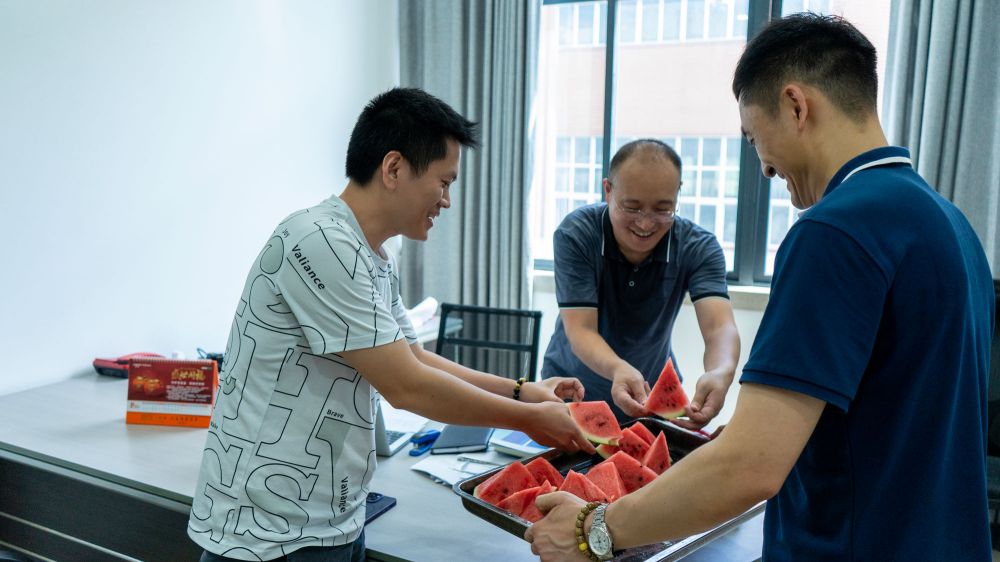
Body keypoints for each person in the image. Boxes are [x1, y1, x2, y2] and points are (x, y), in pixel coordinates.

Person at [526, 13, 993, 562]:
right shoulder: (953, 225)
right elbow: (898, 413)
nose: (765, 167)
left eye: (753, 137)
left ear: (796, 106)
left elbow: (751, 468)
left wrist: (594, 529)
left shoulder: (833, 231)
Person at [187, 87, 595, 562]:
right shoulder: (319, 241)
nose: (446, 200)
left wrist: (522, 391)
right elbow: (407, 386)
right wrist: (526, 418)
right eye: (444, 182)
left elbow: (415, 357)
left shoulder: (375, 255)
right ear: (394, 168)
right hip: (267, 533)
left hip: (331, 518)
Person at [541, 139, 740, 428]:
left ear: (677, 195)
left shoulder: (698, 246)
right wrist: (618, 368)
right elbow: (580, 329)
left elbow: (719, 326)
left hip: (650, 397)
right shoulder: (577, 234)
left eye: (663, 209)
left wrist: (721, 371)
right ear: (608, 191)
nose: (645, 224)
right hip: (573, 393)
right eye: (632, 208)